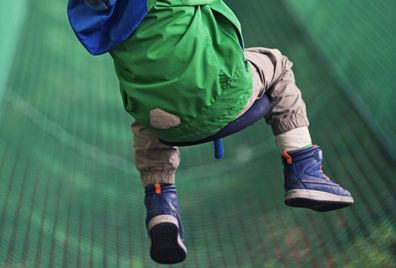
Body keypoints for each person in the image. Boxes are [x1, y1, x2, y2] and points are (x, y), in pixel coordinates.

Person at [68, 0, 354, 264]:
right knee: (278, 65)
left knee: (147, 113)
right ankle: (304, 167)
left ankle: (160, 203)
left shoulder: (98, 13)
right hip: (222, 97)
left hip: (161, 120)